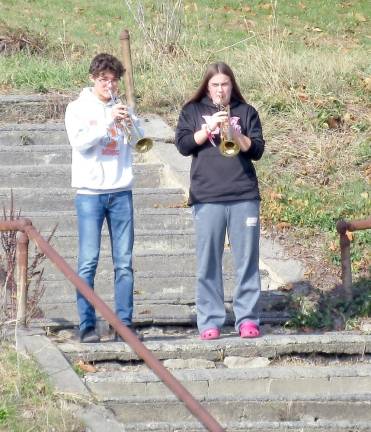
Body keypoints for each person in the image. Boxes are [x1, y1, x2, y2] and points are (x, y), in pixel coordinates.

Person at [175, 62, 265, 340]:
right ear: (207, 87)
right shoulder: (192, 111)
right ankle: (210, 321)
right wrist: (207, 129)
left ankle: (247, 319)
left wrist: (235, 133)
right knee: (208, 262)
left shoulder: (246, 112)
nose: (220, 90)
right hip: (207, 196)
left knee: (247, 261)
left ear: (232, 86)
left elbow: (258, 151)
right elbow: (183, 146)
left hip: (243, 195)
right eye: (215, 85)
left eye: (225, 84)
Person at [65, 53, 142, 343]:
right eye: (103, 79)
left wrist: (129, 120)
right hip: (89, 193)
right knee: (88, 261)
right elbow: (80, 143)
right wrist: (107, 120)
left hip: (121, 191)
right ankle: (87, 324)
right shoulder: (78, 108)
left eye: (112, 79)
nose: (108, 85)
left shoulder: (123, 107)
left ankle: (124, 324)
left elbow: (139, 141)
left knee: (124, 262)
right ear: (92, 78)